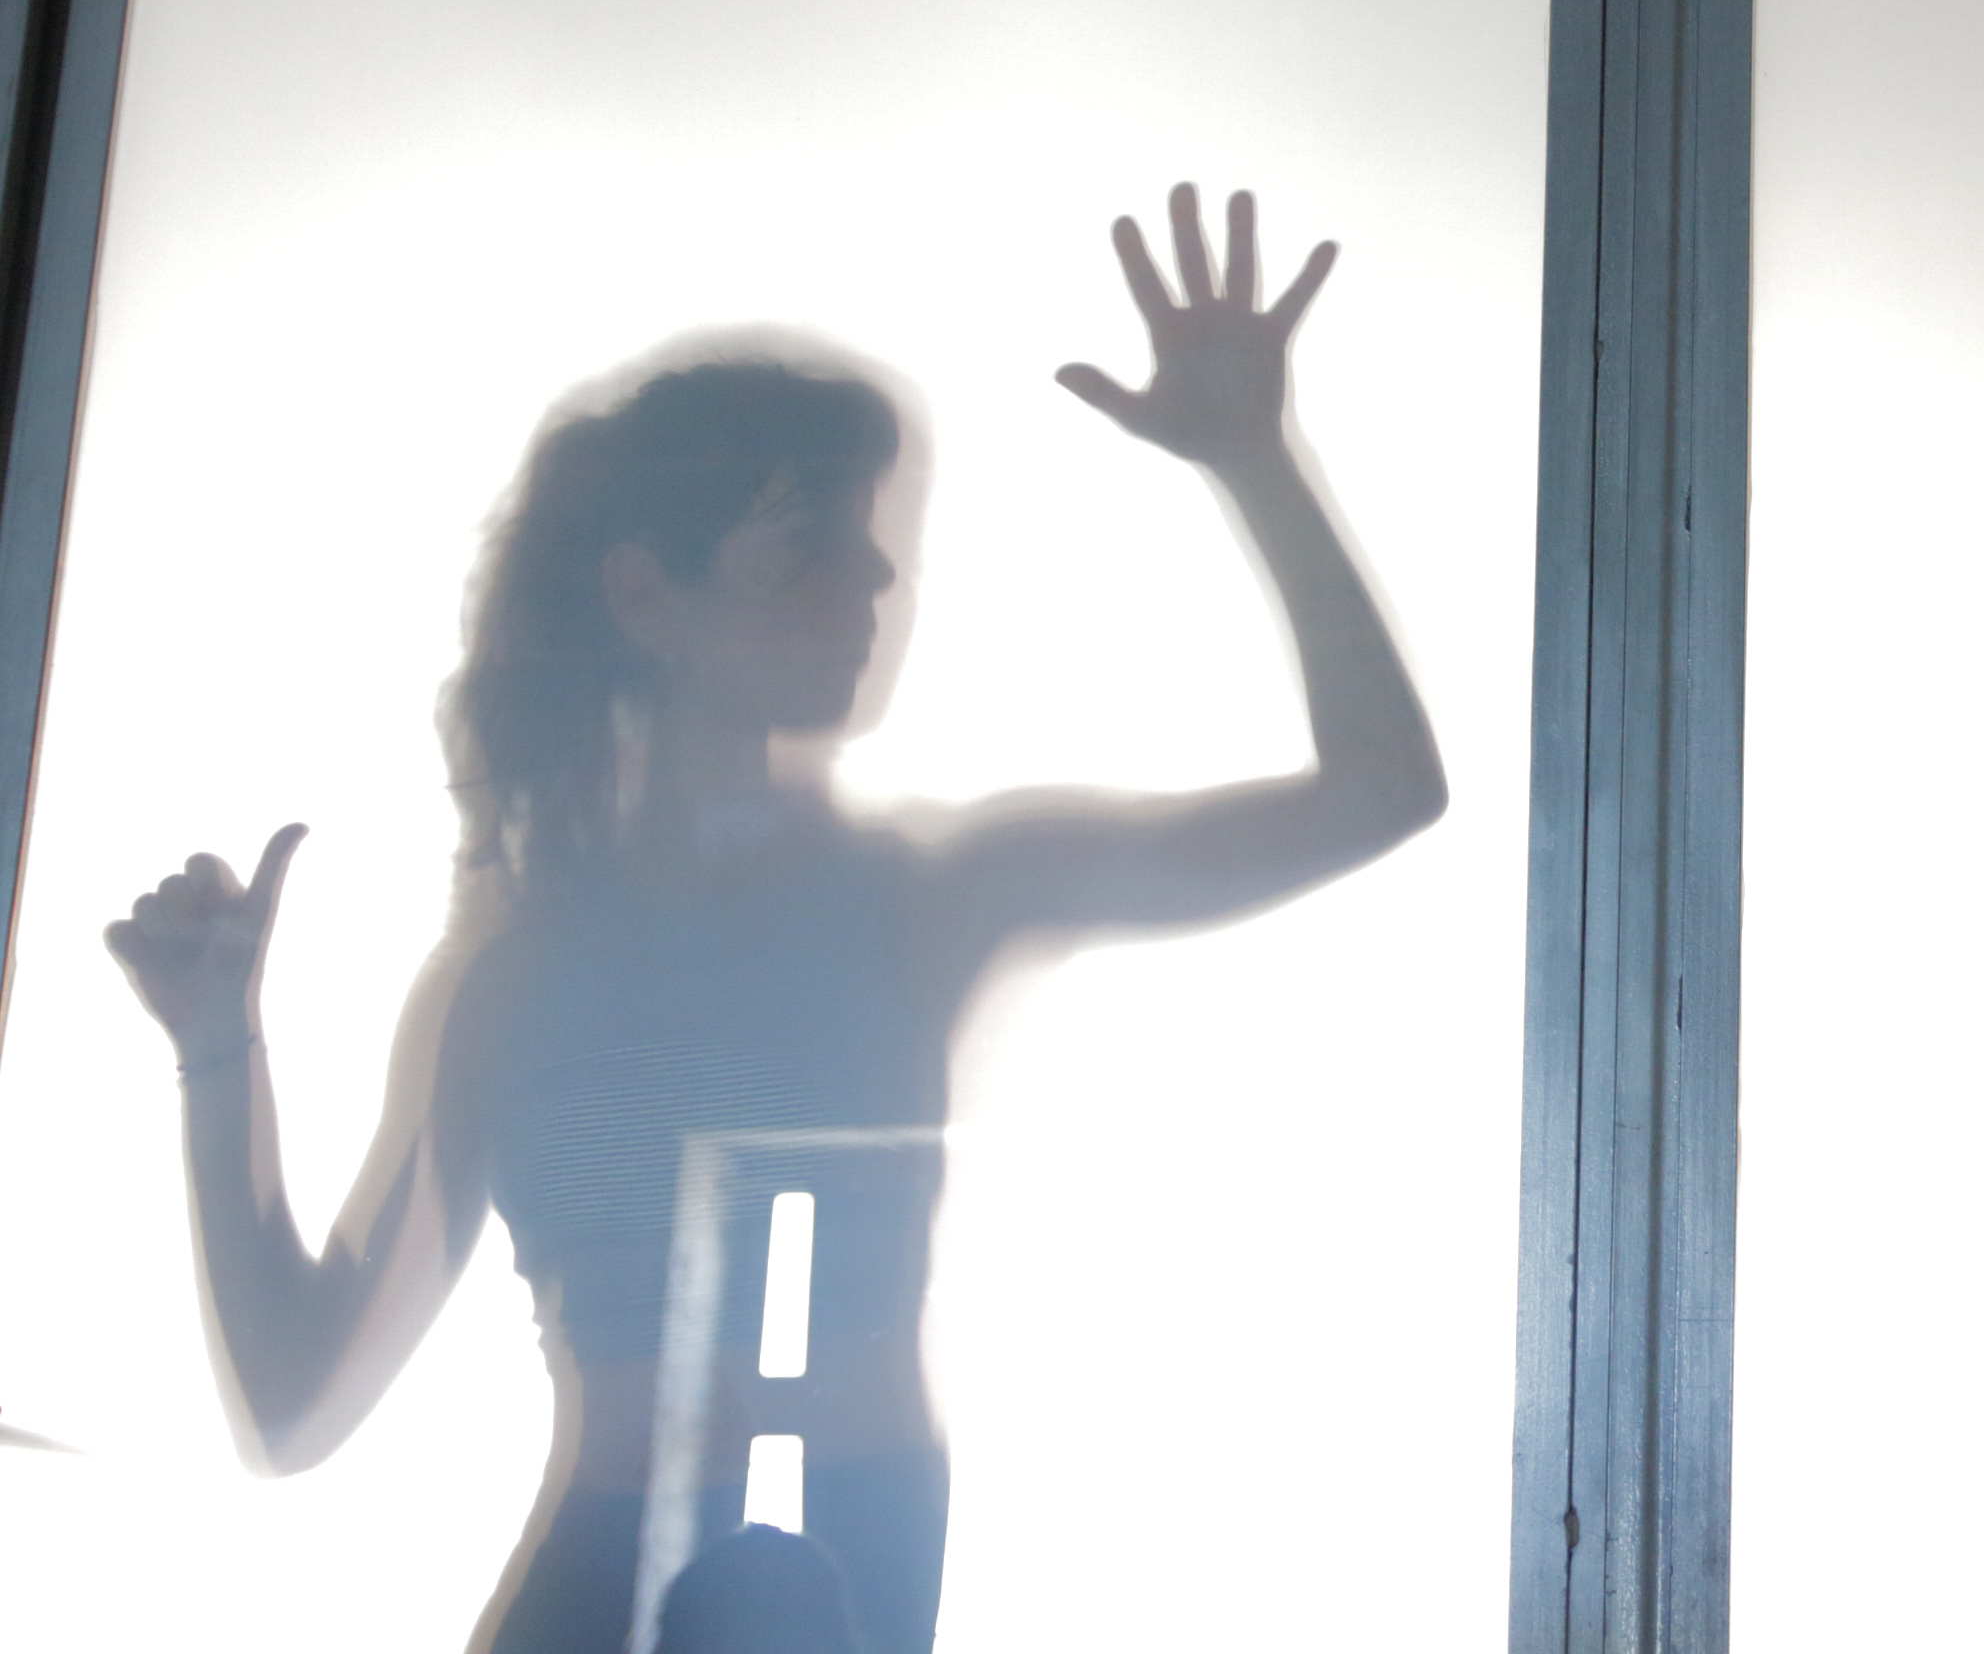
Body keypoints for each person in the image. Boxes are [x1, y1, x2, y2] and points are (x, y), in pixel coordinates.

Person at [101, 187, 1445, 1653]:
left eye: (870, 539)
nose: (875, 576)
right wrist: (217, 1050)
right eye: (807, 542)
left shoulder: (936, 895)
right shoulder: (514, 988)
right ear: (644, 594)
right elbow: (296, 1405)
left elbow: (1381, 794)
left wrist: (1255, 461)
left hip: (830, 1590)